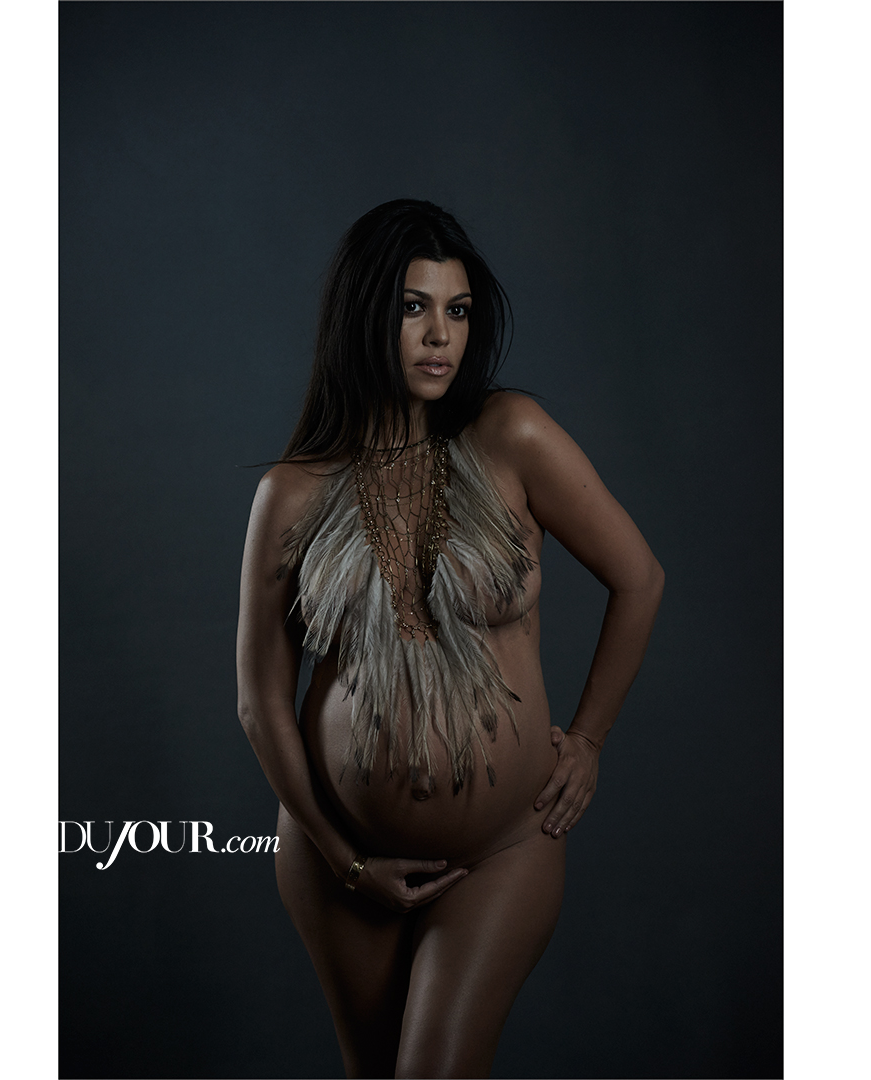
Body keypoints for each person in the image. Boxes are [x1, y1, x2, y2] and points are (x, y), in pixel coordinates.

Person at [236, 199, 664, 1079]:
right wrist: (344, 858)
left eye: (458, 310)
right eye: (413, 307)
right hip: (337, 857)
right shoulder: (291, 492)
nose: (440, 336)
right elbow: (260, 702)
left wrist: (589, 738)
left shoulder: (513, 436)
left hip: (501, 849)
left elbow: (640, 579)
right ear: (365, 315)